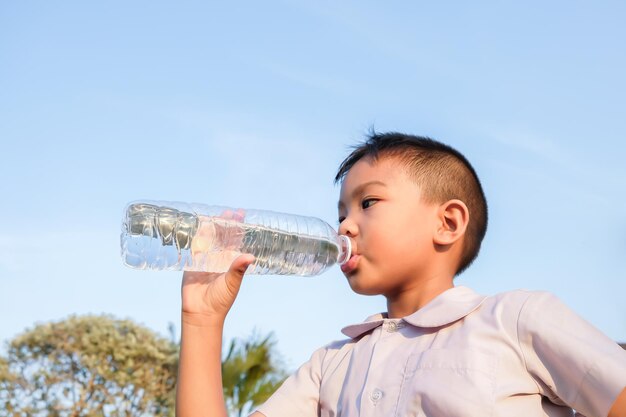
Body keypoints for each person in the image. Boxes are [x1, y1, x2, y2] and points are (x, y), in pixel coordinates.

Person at [176, 132, 626, 417]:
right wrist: (201, 321)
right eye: (341, 212)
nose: (345, 226)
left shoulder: (516, 319)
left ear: (447, 223)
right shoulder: (329, 366)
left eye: (368, 203)